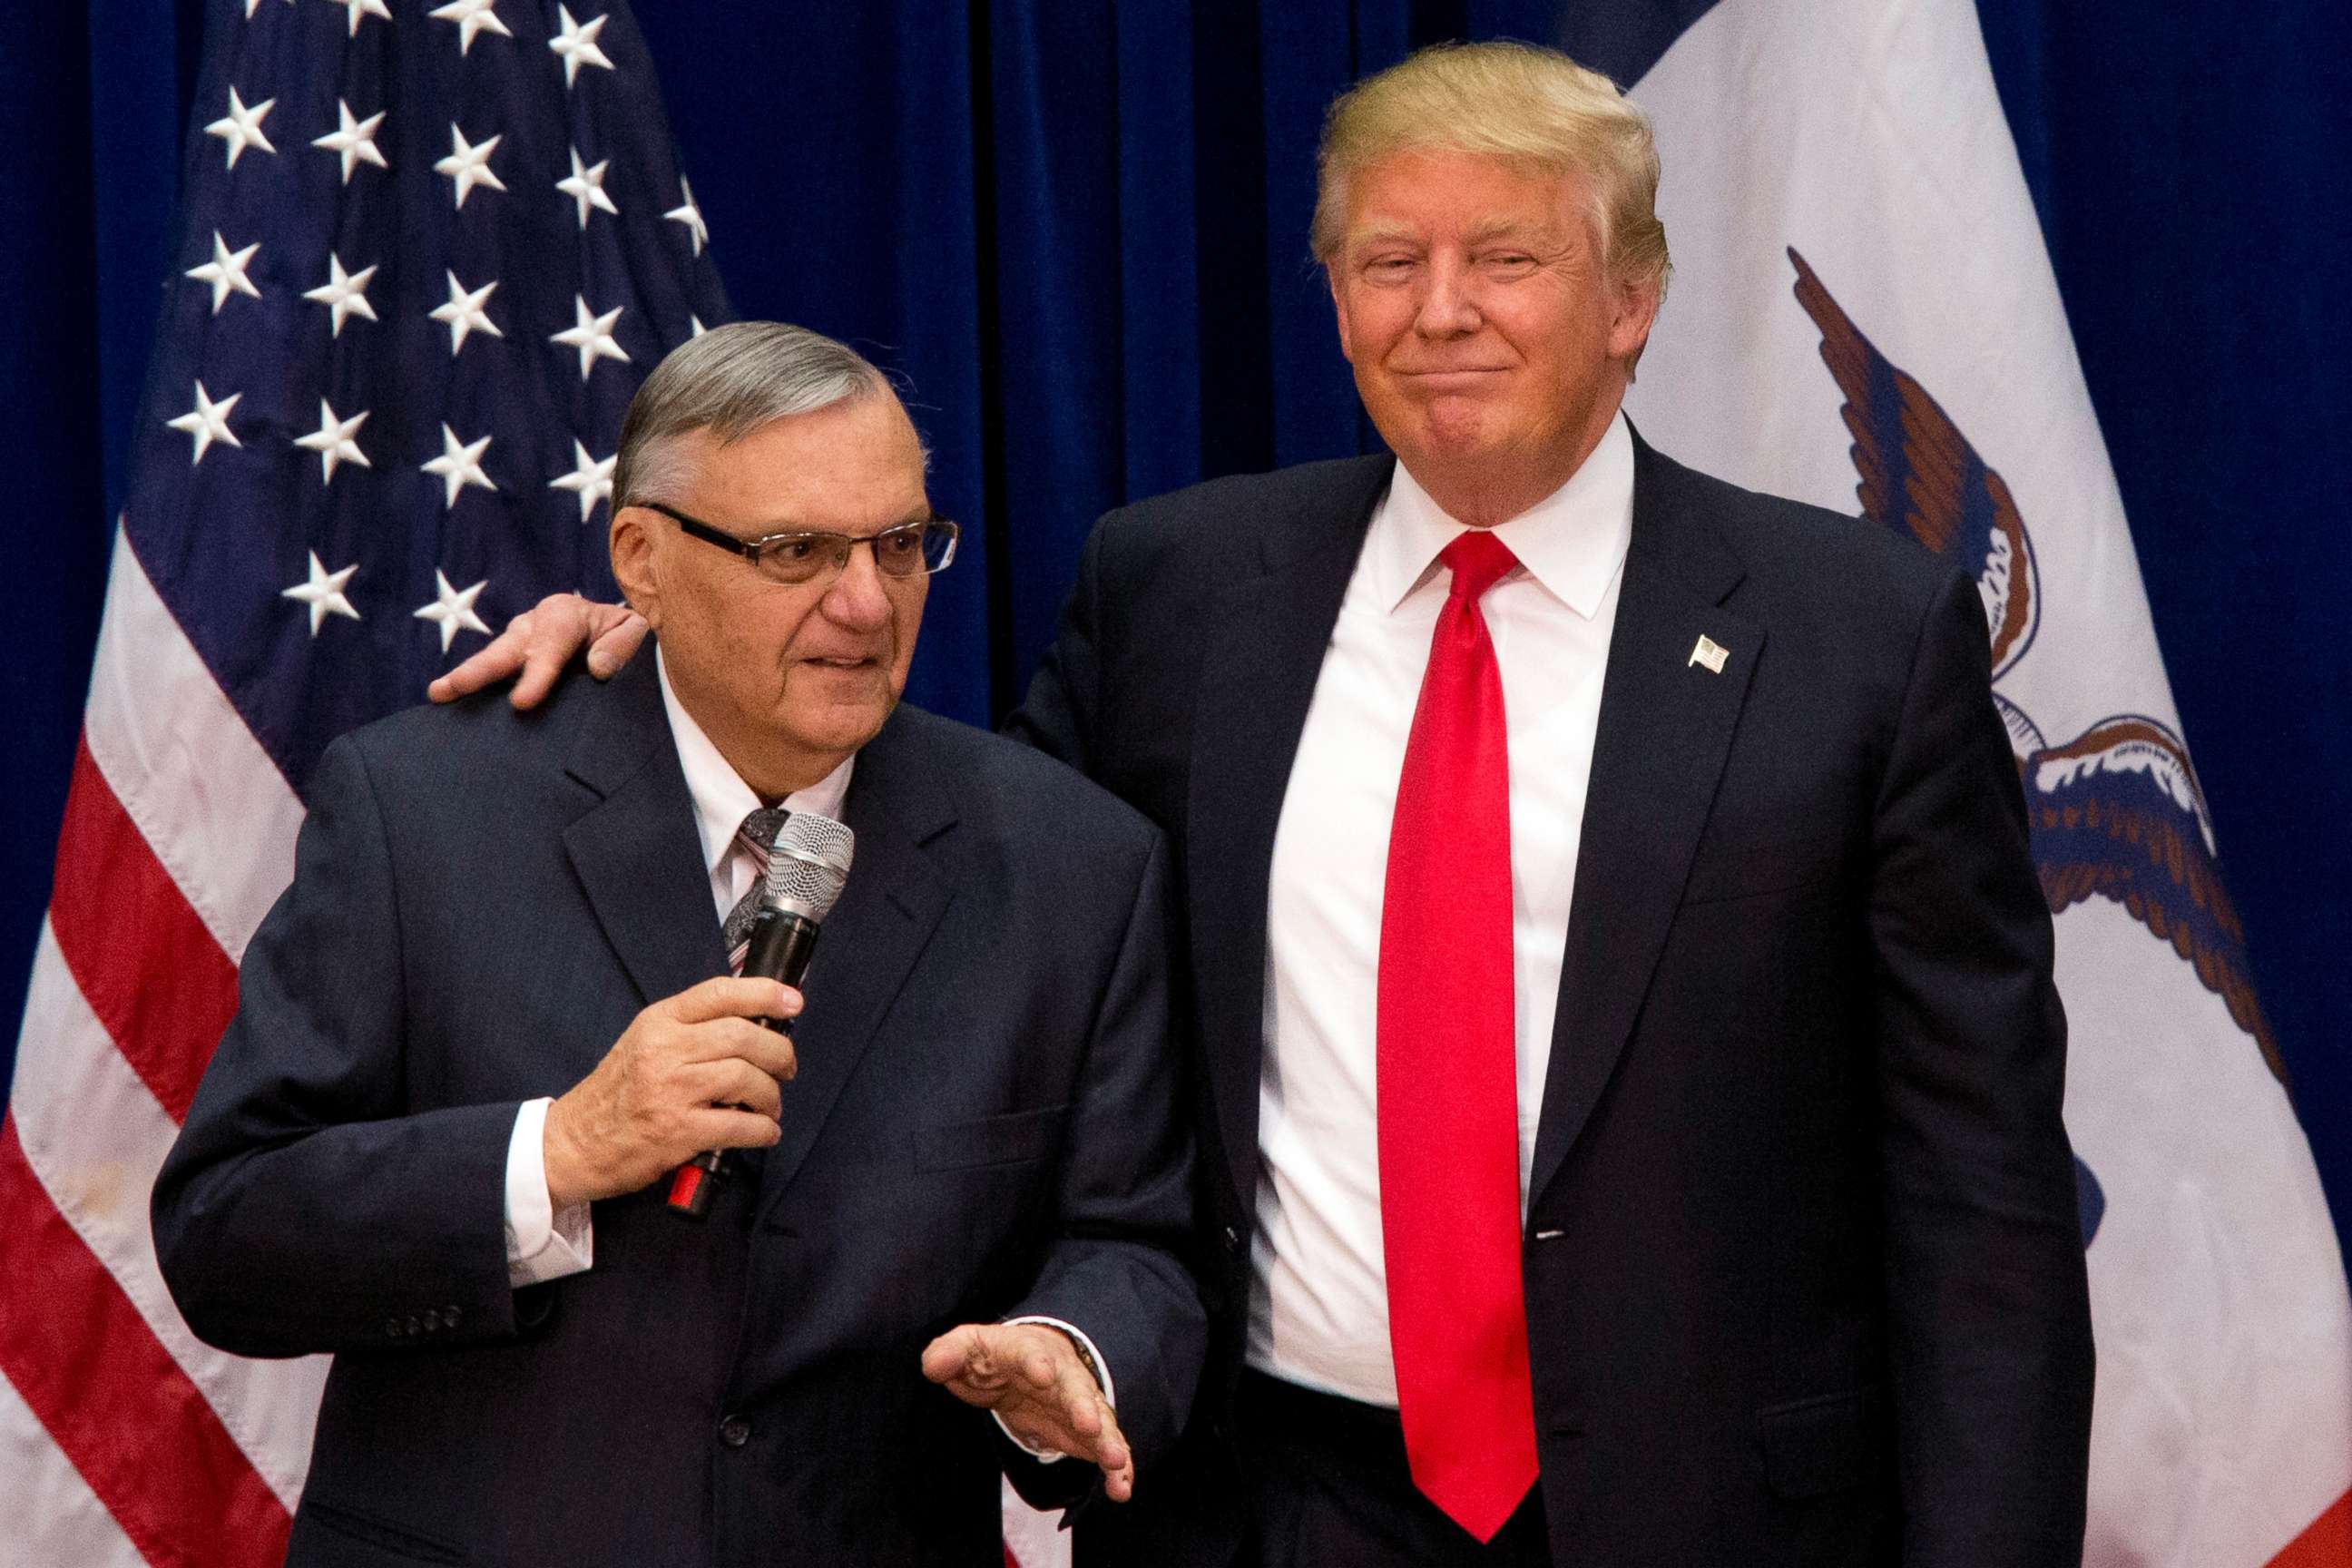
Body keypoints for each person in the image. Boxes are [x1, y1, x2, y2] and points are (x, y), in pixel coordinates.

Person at [436, 41, 2094, 1568]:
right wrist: (670, 660)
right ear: (1336, 296)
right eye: (1389, 262)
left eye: (1505, 257)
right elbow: (952, 883)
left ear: (1633, 296)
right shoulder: (1180, 591)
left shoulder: (1858, 637)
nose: (1440, 311)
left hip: (1716, 1515)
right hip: (1253, 1508)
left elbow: (1983, 1204)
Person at [152, 322, 1205, 1567]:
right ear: (642, 560)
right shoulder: (420, 813)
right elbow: (227, 1233)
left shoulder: (1070, 866)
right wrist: (556, 1150)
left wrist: (1069, 1348)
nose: (866, 602)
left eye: (902, 543)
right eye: (795, 550)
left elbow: (1139, 1247)